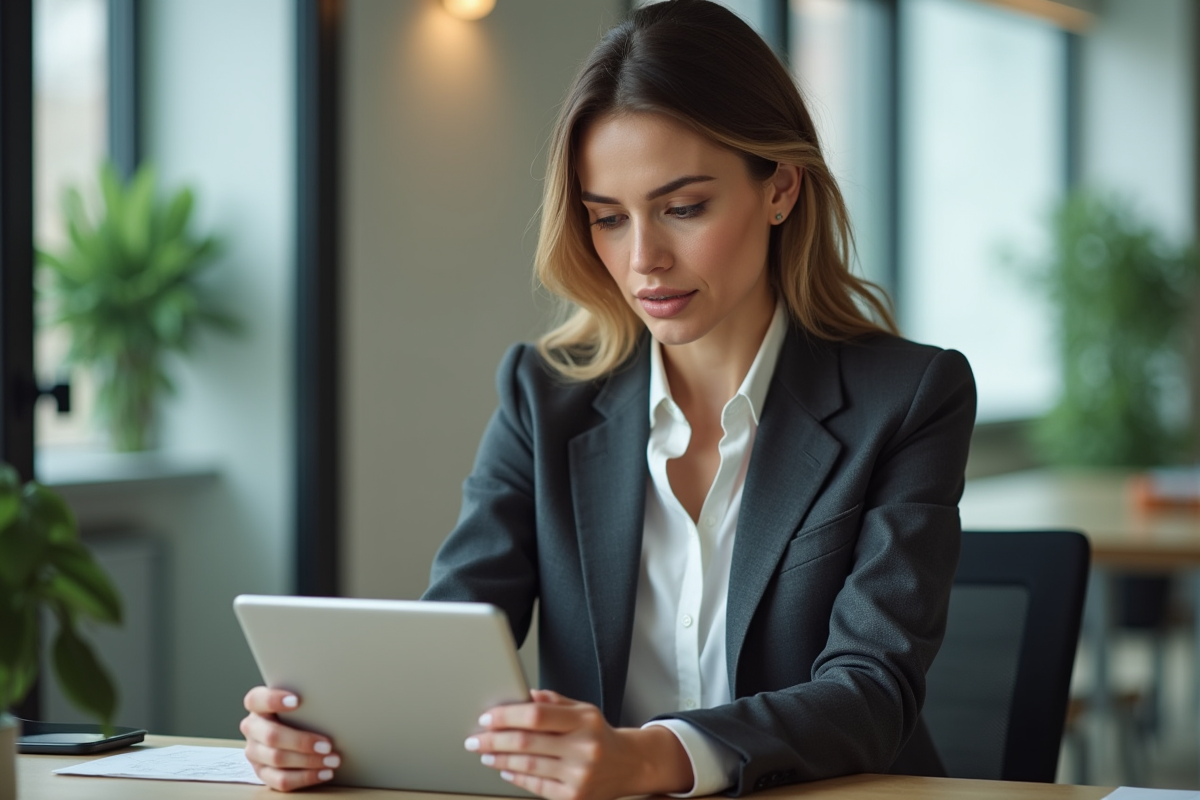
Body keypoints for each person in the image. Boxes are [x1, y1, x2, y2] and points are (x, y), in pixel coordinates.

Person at [240, 0, 977, 795]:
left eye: (684, 208)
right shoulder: (542, 398)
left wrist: (653, 756)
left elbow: (871, 692)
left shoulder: (908, 398)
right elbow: (450, 639)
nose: (644, 260)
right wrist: (328, 727)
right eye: (608, 219)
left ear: (781, 189)